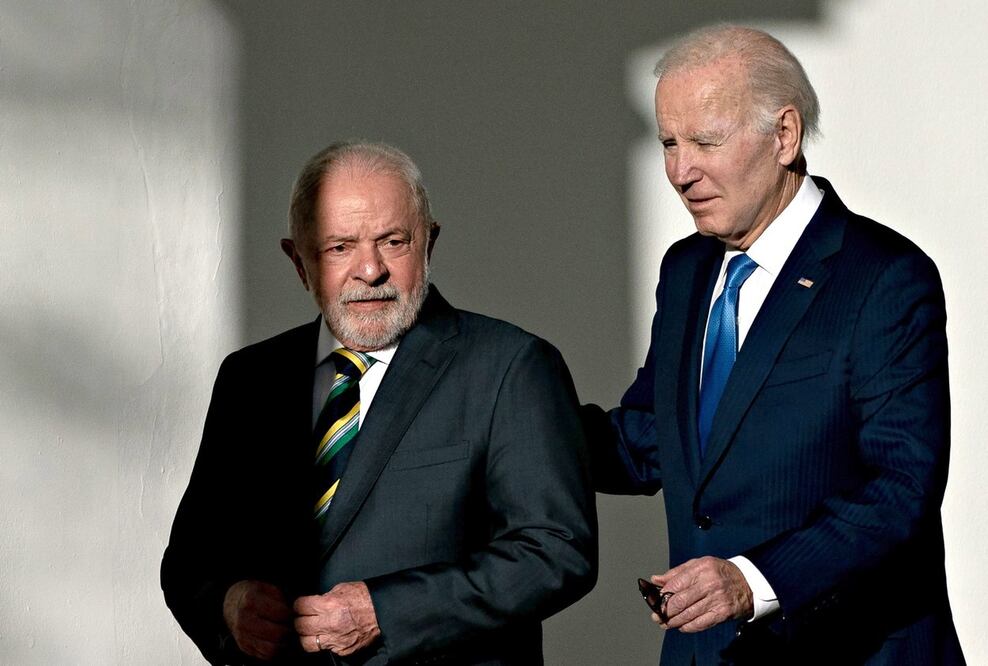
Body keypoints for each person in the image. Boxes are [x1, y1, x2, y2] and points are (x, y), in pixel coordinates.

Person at [583, 25, 964, 665]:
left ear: (784, 135)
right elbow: (652, 442)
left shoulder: (884, 278)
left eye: (705, 141)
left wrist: (752, 581)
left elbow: (900, 488)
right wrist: (501, 428)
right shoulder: (686, 271)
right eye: (669, 144)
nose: (680, 171)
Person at [161, 141, 597, 665]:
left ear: (428, 244)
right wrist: (229, 605)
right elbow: (190, 560)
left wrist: (385, 612)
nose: (370, 270)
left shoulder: (511, 366)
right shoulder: (250, 379)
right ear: (298, 261)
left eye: (393, 241)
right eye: (338, 247)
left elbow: (555, 552)